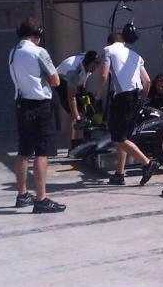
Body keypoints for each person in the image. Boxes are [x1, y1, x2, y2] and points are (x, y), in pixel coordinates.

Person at [8, 17, 66, 213]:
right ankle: (41, 199)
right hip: (40, 105)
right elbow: (56, 80)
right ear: (37, 34)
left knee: (24, 151)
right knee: (42, 152)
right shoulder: (39, 52)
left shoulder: (13, 52)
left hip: (22, 103)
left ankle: (22, 194)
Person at [95, 32, 159, 186]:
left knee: (118, 138)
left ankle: (147, 163)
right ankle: (119, 174)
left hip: (123, 97)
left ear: (109, 42)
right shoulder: (136, 55)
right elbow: (148, 81)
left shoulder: (108, 50)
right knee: (124, 138)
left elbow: (104, 75)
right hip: (136, 96)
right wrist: (142, 99)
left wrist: (97, 95)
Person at [56, 50, 100, 150]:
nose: (96, 68)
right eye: (94, 65)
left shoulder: (89, 62)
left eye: (97, 64)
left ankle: (81, 143)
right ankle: (71, 145)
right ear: (88, 63)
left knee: (83, 111)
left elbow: (84, 77)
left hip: (77, 80)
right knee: (73, 114)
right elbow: (71, 97)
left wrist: (84, 95)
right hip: (62, 81)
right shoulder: (73, 71)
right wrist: (78, 118)